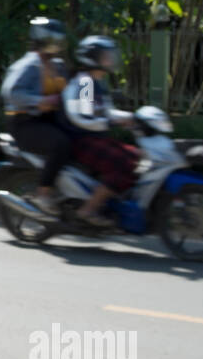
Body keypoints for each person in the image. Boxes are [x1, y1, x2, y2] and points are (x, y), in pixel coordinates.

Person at [58, 35, 142, 228]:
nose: (111, 60)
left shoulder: (97, 82)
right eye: (106, 56)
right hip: (82, 141)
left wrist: (131, 117)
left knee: (137, 156)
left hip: (95, 138)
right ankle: (88, 210)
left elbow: (105, 111)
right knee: (124, 164)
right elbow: (84, 117)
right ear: (93, 58)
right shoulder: (85, 83)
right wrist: (110, 122)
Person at [1, 17, 71, 215]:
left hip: (48, 120)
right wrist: (40, 101)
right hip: (25, 124)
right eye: (54, 40)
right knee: (61, 144)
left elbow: (71, 90)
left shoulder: (57, 65)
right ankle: (43, 193)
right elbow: (11, 93)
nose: (58, 45)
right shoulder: (29, 65)